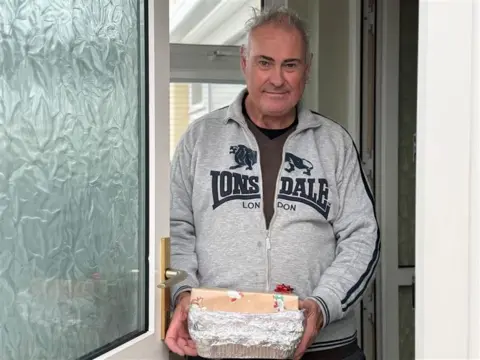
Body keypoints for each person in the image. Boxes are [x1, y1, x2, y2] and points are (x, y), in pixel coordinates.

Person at [166, 6, 379, 360]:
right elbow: (177, 231)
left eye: (290, 65)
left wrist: (322, 305)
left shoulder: (334, 143)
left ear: (306, 70)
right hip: (223, 343)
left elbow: (363, 236)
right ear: (244, 63)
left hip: (325, 348)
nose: (277, 79)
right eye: (265, 62)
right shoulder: (200, 140)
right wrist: (184, 293)